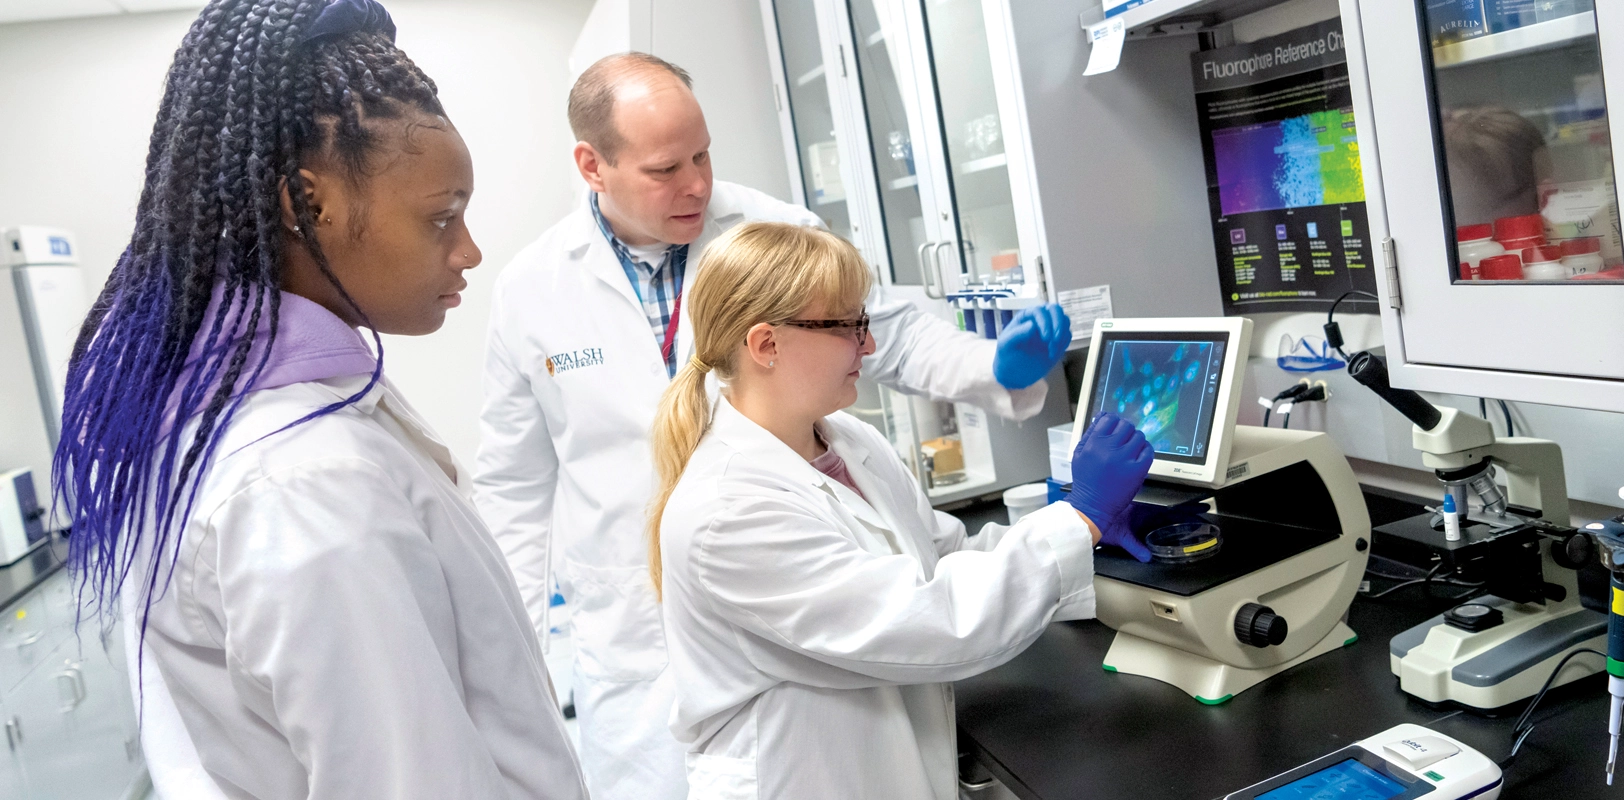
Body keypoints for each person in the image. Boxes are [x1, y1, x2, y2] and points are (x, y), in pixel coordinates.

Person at [474, 52, 1075, 798]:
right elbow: (513, 490)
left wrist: (993, 366)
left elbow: (881, 329)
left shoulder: (772, 226)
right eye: (666, 169)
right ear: (592, 165)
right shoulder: (533, 289)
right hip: (632, 646)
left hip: (796, 629)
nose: (697, 182)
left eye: (703, 154)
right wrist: (513, 675)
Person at [51, 1, 587, 797]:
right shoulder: (307, 484)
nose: (469, 250)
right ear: (307, 204)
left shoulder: (227, 420)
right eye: (441, 218)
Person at [649, 221, 1153, 800]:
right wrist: (1079, 517)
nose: (867, 345)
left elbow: (942, 558)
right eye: (846, 326)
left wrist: (1081, 530)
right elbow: (930, 620)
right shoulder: (725, 512)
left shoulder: (847, 440)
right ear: (766, 345)